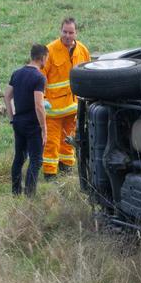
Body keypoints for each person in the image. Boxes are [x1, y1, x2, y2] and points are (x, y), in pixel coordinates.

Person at [42, 17, 90, 180]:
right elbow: (40, 77)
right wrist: (42, 100)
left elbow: (88, 74)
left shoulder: (82, 50)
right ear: (60, 31)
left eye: (71, 32)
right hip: (53, 109)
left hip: (74, 107)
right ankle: (50, 173)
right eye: (65, 32)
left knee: (69, 140)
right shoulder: (50, 51)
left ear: (76, 32)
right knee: (51, 142)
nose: (68, 36)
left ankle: (66, 167)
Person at [4, 44, 48, 196]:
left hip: (19, 122)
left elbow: (7, 96)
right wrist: (44, 128)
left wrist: (12, 118)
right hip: (33, 125)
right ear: (43, 58)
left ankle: (16, 192)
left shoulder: (17, 73)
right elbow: (39, 105)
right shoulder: (39, 77)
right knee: (36, 160)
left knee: (19, 158)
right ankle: (30, 195)